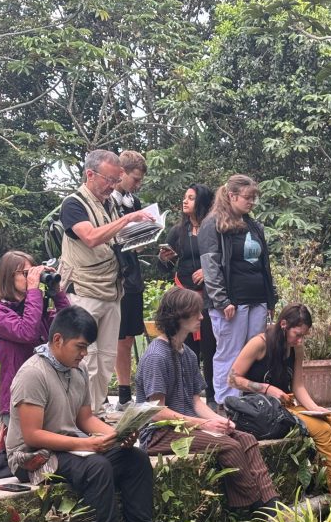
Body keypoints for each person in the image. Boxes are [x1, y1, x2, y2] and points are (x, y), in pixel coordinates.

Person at [4, 306, 186, 522]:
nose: (84, 353)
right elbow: (32, 436)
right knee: (97, 467)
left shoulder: (76, 372)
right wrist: (91, 446)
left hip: (71, 448)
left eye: (87, 347)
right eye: (80, 346)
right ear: (57, 341)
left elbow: (85, 418)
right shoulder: (33, 374)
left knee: (135, 459)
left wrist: (116, 435)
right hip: (32, 457)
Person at [135, 287, 280, 514]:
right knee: (229, 445)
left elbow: (196, 402)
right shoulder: (157, 355)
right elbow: (156, 412)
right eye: (196, 313)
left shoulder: (189, 354)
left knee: (245, 437)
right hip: (159, 434)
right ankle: (254, 508)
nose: (201, 317)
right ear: (178, 315)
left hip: (188, 427)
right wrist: (205, 425)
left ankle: (271, 502)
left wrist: (221, 421)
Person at [228, 303, 331, 502]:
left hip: (286, 406)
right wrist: (266, 388)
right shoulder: (259, 343)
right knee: (322, 430)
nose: (300, 340)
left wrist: (315, 408)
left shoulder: (296, 348)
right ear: (284, 324)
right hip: (261, 410)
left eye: (303, 336)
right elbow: (233, 378)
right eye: (297, 334)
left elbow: (298, 386)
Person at [57, 149, 152, 413]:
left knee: (107, 357)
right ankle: (76, 412)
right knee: (85, 356)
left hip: (112, 289)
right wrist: (126, 219)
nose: (112, 186)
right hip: (85, 290)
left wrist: (144, 234)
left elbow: (115, 240)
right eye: (109, 179)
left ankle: (96, 409)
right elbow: (90, 237)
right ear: (90, 174)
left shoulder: (109, 203)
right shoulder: (73, 203)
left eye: (116, 180)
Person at [198, 174, 277, 407]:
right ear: (231, 196)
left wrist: (270, 299)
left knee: (254, 353)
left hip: (258, 299)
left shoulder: (253, 225)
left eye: (254, 198)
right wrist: (222, 300)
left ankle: (248, 404)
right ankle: (225, 403)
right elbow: (210, 267)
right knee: (229, 353)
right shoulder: (213, 224)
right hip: (231, 303)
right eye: (247, 197)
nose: (251, 202)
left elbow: (264, 265)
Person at [0, 250, 70, 450]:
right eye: (24, 273)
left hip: (46, 393)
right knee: (24, 458)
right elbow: (27, 332)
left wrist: (57, 293)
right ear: (8, 276)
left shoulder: (37, 310)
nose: (30, 278)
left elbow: (71, 326)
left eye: (32, 272)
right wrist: (34, 291)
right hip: (18, 399)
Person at [158, 183, 216, 405]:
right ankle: (187, 398)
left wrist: (208, 270)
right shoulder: (177, 231)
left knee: (211, 348)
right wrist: (165, 258)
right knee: (185, 349)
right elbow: (165, 267)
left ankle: (211, 397)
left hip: (209, 296)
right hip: (184, 296)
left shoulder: (214, 229)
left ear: (201, 202)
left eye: (190, 198)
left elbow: (221, 259)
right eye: (185, 197)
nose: (185, 201)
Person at [111, 151, 148, 408]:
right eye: (134, 179)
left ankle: (125, 393)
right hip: (111, 275)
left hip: (132, 274)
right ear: (120, 173)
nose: (137, 185)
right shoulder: (105, 202)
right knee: (108, 337)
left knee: (127, 336)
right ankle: (99, 395)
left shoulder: (133, 201)